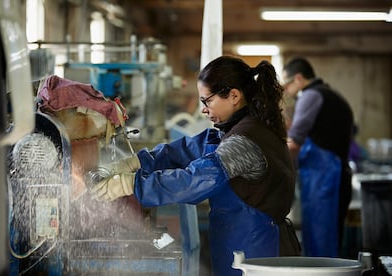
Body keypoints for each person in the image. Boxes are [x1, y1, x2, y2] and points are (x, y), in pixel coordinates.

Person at [90, 55, 301, 276]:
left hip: (258, 252)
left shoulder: (243, 142)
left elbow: (194, 180)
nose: (203, 109)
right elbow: (186, 150)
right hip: (241, 246)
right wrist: (136, 162)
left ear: (234, 96)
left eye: (207, 101)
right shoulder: (233, 131)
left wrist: (130, 185)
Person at [282, 57, 354, 257]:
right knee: (321, 239)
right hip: (325, 177)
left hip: (325, 180)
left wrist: (271, 160)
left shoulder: (311, 96)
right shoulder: (328, 93)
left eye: (287, 85)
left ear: (298, 78)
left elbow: (295, 142)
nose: (287, 90)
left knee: (323, 240)